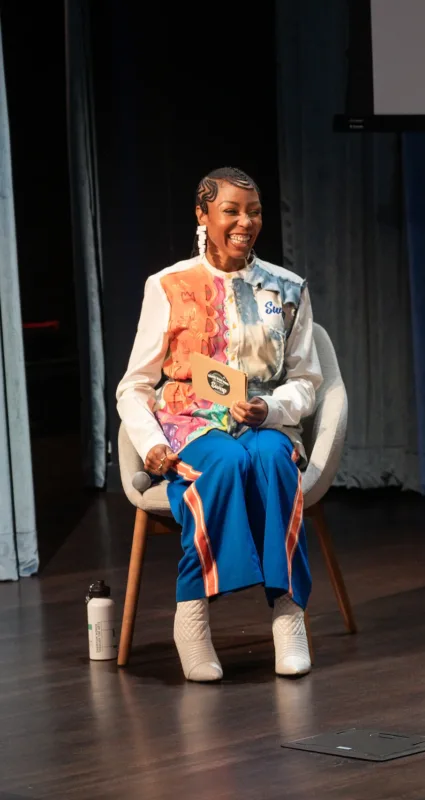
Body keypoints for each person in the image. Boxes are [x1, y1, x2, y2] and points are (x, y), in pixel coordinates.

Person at [116, 167, 321, 682]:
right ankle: (192, 616)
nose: (244, 222)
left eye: (253, 212)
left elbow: (306, 381)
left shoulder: (287, 287)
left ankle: (288, 614)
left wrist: (270, 410)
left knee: (274, 461)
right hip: (190, 423)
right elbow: (133, 386)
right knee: (225, 464)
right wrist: (150, 446)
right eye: (231, 210)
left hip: (261, 420)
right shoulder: (167, 285)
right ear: (202, 215)